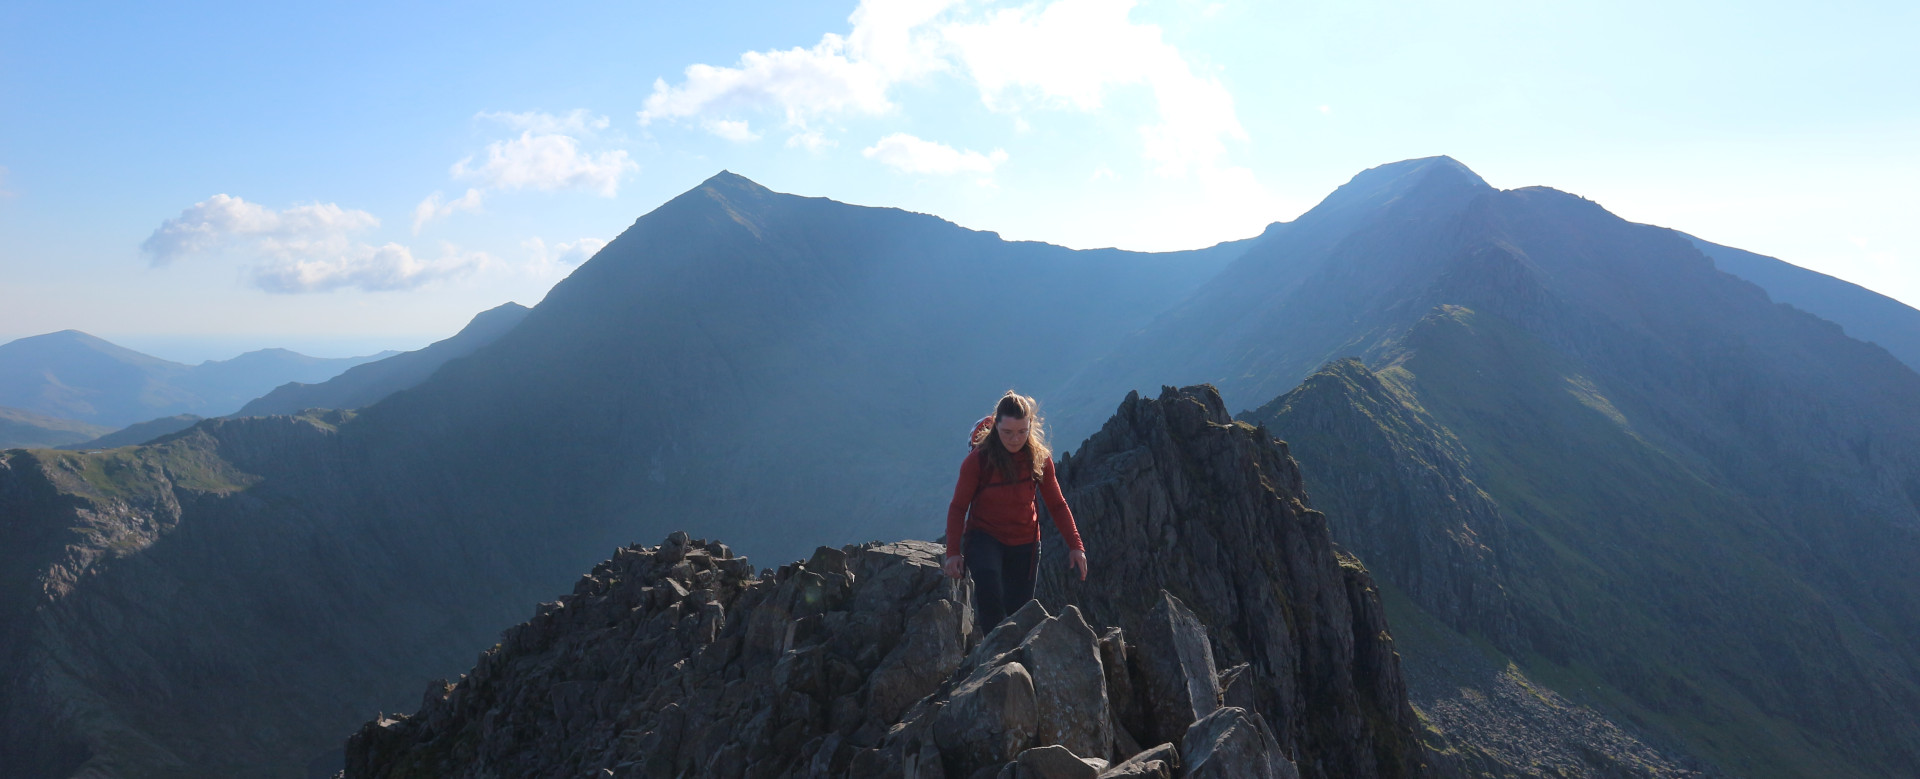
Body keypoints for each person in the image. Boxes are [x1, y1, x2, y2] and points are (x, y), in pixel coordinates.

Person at [943, 390, 1090, 633]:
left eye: (1022, 432)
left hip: (1025, 542)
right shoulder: (978, 461)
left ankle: (1015, 662)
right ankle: (995, 661)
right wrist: (952, 553)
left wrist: (1076, 546)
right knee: (989, 590)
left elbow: (1057, 504)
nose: (1015, 439)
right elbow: (958, 507)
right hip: (984, 536)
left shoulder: (1039, 459)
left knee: (1019, 612)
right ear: (995, 428)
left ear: (1031, 427)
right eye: (1007, 432)